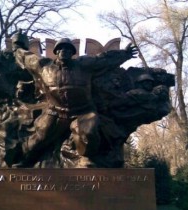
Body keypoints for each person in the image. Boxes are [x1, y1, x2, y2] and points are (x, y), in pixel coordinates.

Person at [13, 32, 137, 166]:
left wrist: (125, 54)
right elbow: (27, 57)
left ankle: (87, 158)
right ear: (56, 51)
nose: (64, 51)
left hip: (83, 112)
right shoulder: (44, 66)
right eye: (60, 48)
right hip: (56, 112)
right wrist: (17, 46)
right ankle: (25, 160)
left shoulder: (84, 64)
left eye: (68, 49)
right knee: (40, 137)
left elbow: (103, 59)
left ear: (72, 52)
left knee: (88, 133)